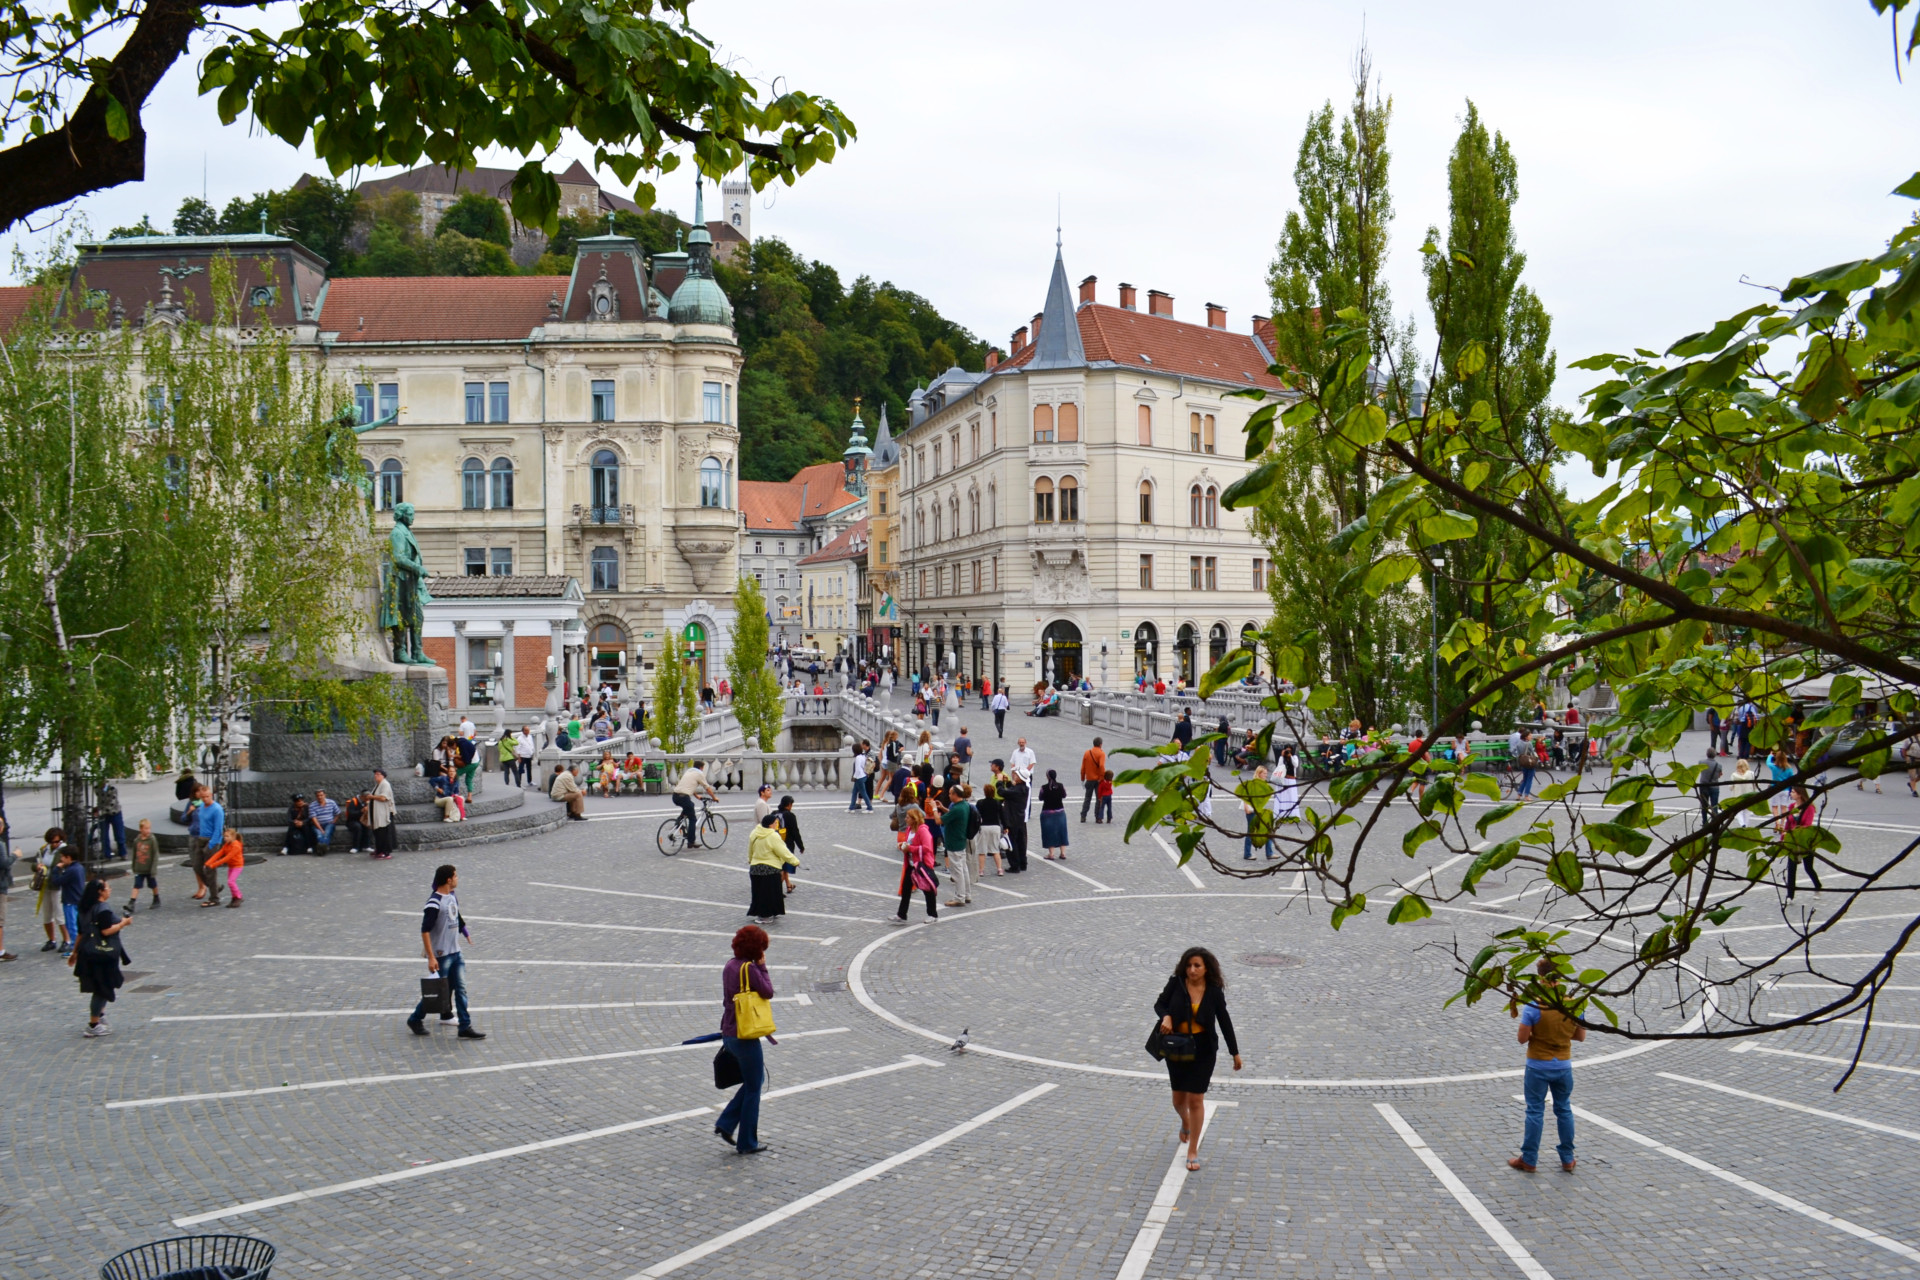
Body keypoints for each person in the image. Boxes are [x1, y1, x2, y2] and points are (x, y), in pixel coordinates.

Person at [1155, 947, 1243, 1172]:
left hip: (1203, 1050)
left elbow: (1224, 1020)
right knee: (1178, 1101)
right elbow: (1160, 1003)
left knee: (1195, 1100)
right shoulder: (1176, 983)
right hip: (1177, 1047)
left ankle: (1192, 1149)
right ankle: (1185, 1122)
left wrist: (1235, 1052)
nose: (1192, 970)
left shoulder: (1213, 991)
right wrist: (1166, 1016)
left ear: (1206, 969)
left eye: (1197, 966)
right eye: (1189, 965)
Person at [1509, 958, 1584, 1173]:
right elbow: (1580, 1036)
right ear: (1560, 976)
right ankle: (1568, 1158)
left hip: (1538, 1065)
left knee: (1534, 1111)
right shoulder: (1572, 1003)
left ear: (1540, 977)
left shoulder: (1535, 1005)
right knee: (1564, 1109)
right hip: (1563, 1065)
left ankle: (1530, 1159)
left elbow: (1522, 1039)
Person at [406, 864, 485, 1038]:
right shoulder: (434, 903)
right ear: (448, 879)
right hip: (442, 955)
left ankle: (464, 1026)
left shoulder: (451, 897)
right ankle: (415, 1018)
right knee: (437, 990)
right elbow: (425, 930)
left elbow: (457, 916)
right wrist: (431, 957)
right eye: (456, 876)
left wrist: (465, 932)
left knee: (461, 989)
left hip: (455, 953)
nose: (457, 879)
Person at [716, 925, 774, 1153]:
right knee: (753, 1088)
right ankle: (747, 1142)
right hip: (745, 1034)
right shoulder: (749, 968)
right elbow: (768, 991)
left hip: (729, 1032)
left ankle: (726, 1123)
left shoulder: (730, 965)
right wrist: (763, 966)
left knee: (754, 1082)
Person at [69, 878, 131, 1037]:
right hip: (102, 954)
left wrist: (75, 953)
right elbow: (106, 931)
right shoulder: (103, 909)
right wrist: (123, 924)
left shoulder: (84, 909)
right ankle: (93, 1024)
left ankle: (100, 1015)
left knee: (100, 986)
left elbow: (81, 934)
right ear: (100, 892)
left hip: (87, 952)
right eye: (108, 887)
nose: (110, 890)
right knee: (102, 987)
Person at [894, 808, 939, 923]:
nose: (906, 819)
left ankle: (932, 914)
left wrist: (910, 848)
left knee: (927, 889)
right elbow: (910, 844)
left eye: (908, 817)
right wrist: (903, 846)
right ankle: (901, 914)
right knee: (905, 889)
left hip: (922, 864)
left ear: (914, 819)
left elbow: (927, 848)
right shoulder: (909, 829)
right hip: (911, 863)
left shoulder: (922, 831)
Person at [1782, 785, 1822, 899]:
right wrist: (1783, 837)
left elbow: (1807, 825)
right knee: (1791, 868)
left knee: (1808, 868)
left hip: (1806, 841)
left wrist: (1793, 832)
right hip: (1792, 842)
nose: (1790, 793)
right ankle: (1790, 896)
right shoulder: (1791, 807)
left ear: (1800, 794)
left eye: (1793, 792)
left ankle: (1817, 886)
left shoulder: (1809, 808)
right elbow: (1788, 823)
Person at [747, 814, 787, 922]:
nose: (776, 825)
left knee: (758, 892)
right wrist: (795, 861)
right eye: (775, 823)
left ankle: (761, 913)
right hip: (770, 868)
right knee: (771, 892)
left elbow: (750, 849)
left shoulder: (754, 833)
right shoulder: (773, 836)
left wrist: (751, 860)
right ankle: (767, 915)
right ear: (770, 825)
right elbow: (783, 851)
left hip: (755, 868)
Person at [941, 783, 976, 906]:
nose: (949, 795)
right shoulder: (965, 805)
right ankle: (967, 894)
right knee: (963, 869)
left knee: (957, 872)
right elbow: (952, 814)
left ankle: (959, 897)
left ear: (956, 795)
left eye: (951, 793)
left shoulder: (957, 808)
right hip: (960, 841)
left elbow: (939, 820)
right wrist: (943, 809)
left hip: (954, 843)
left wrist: (935, 809)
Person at [192, 783, 227, 899]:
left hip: (212, 841)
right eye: (203, 797)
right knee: (197, 866)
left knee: (210, 869)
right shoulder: (202, 807)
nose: (205, 799)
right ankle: (215, 886)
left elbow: (218, 829)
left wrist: (211, 845)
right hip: (201, 839)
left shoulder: (217, 809)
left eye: (207, 796)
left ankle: (214, 897)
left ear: (211, 795)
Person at [673, 760, 719, 845]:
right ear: (701, 767)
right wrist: (714, 797)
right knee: (692, 819)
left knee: (690, 806)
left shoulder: (689, 771)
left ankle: (679, 820)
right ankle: (691, 842)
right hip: (684, 797)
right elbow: (707, 788)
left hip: (675, 796)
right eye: (703, 768)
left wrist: (697, 796)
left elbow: (689, 785)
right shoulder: (699, 774)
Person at [52, 844, 85, 954]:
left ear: (68, 857)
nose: (61, 859)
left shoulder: (71, 870)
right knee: (76, 924)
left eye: (62, 857)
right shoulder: (79, 867)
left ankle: (74, 949)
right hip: (78, 900)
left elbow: (57, 881)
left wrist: (56, 869)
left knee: (72, 926)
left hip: (70, 901)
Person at [125, 819, 161, 913]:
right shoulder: (137, 841)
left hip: (149, 869)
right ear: (141, 829)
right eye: (146, 828)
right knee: (136, 885)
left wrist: (153, 868)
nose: (148, 830)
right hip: (139, 868)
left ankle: (156, 898)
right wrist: (134, 866)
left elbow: (155, 854)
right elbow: (135, 854)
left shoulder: (152, 840)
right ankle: (131, 902)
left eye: (149, 828)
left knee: (153, 884)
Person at [1000, 767, 1030, 873]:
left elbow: (1001, 792)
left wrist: (999, 782)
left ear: (1020, 778)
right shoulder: (1024, 788)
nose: (1014, 776)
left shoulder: (1017, 790)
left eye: (1016, 775)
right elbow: (1011, 789)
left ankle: (1014, 865)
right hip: (1020, 819)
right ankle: (1023, 863)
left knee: (1012, 842)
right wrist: (1007, 782)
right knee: (1021, 842)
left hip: (1012, 819)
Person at [205, 829, 245, 906]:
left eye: (227, 836)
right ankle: (235, 897)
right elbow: (219, 854)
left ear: (233, 837)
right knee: (230, 882)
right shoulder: (227, 845)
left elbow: (227, 858)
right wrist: (208, 863)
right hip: (231, 866)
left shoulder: (236, 846)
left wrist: (213, 865)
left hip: (237, 866)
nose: (225, 838)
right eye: (224, 836)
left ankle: (238, 897)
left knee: (231, 882)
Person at [975, 782, 1006, 878]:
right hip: (995, 827)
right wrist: (1005, 827)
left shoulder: (980, 803)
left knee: (982, 850)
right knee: (995, 849)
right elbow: (1002, 816)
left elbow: (977, 816)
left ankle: (981, 870)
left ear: (984, 792)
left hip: (984, 827)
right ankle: (1000, 869)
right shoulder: (997, 803)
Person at [774, 795, 804, 894]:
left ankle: (788, 886)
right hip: (787, 845)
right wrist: (801, 846)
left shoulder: (774, 814)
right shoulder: (790, 816)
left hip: (774, 844)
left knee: (781, 866)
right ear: (789, 805)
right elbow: (795, 832)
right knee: (785, 867)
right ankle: (775, 890)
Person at [1038, 769, 1069, 860]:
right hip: (1060, 812)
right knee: (1062, 832)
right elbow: (1064, 795)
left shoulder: (1044, 787)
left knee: (1049, 832)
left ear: (1047, 776)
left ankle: (1051, 854)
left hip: (1047, 812)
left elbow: (1040, 797)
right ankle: (1063, 853)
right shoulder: (1061, 786)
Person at [369, 769, 396, 858]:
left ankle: (385, 851)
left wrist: (371, 797)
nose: (375, 776)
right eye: (375, 774)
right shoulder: (378, 785)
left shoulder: (385, 784)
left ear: (383, 775)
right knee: (378, 832)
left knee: (384, 832)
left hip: (383, 813)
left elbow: (383, 798)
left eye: (378, 774)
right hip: (377, 812)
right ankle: (379, 849)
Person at [96, 781, 127, 860]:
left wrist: (99, 812)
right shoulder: (97, 789)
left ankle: (122, 853)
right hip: (103, 814)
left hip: (115, 812)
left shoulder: (112, 789)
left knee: (119, 834)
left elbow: (111, 804)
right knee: (104, 835)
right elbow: (100, 800)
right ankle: (106, 854)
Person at [1080, 738, 1107, 821]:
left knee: (1087, 798)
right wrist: (1102, 777)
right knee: (1099, 799)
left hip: (1089, 779)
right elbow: (1102, 766)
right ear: (1100, 744)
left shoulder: (1087, 753)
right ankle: (1098, 817)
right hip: (1098, 780)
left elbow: (1083, 768)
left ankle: (1083, 816)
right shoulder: (1101, 754)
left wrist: (1082, 779)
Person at [308, 789, 340, 853]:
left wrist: (334, 821)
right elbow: (314, 819)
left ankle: (321, 848)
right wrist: (321, 829)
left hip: (329, 823)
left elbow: (338, 813)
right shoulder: (312, 805)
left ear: (325, 795)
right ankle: (324, 848)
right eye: (318, 796)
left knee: (326, 834)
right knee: (319, 835)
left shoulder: (331, 802)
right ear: (316, 797)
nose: (320, 797)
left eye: (321, 795)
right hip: (317, 824)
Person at [1697, 747, 1724, 824]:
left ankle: (1704, 821)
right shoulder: (1719, 765)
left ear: (1707, 754)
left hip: (1703, 786)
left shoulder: (1701, 762)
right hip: (1714, 787)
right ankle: (1714, 821)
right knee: (1714, 806)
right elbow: (1719, 775)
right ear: (1715, 755)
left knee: (1704, 805)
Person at [849, 741, 874, 811]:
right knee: (854, 792)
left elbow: (857, 769)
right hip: (864, 776)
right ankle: (851, 807)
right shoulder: (863, 756)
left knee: (863, 793)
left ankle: (869, 807)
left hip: (859, 777)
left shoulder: (858, 758)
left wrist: (854, 777)